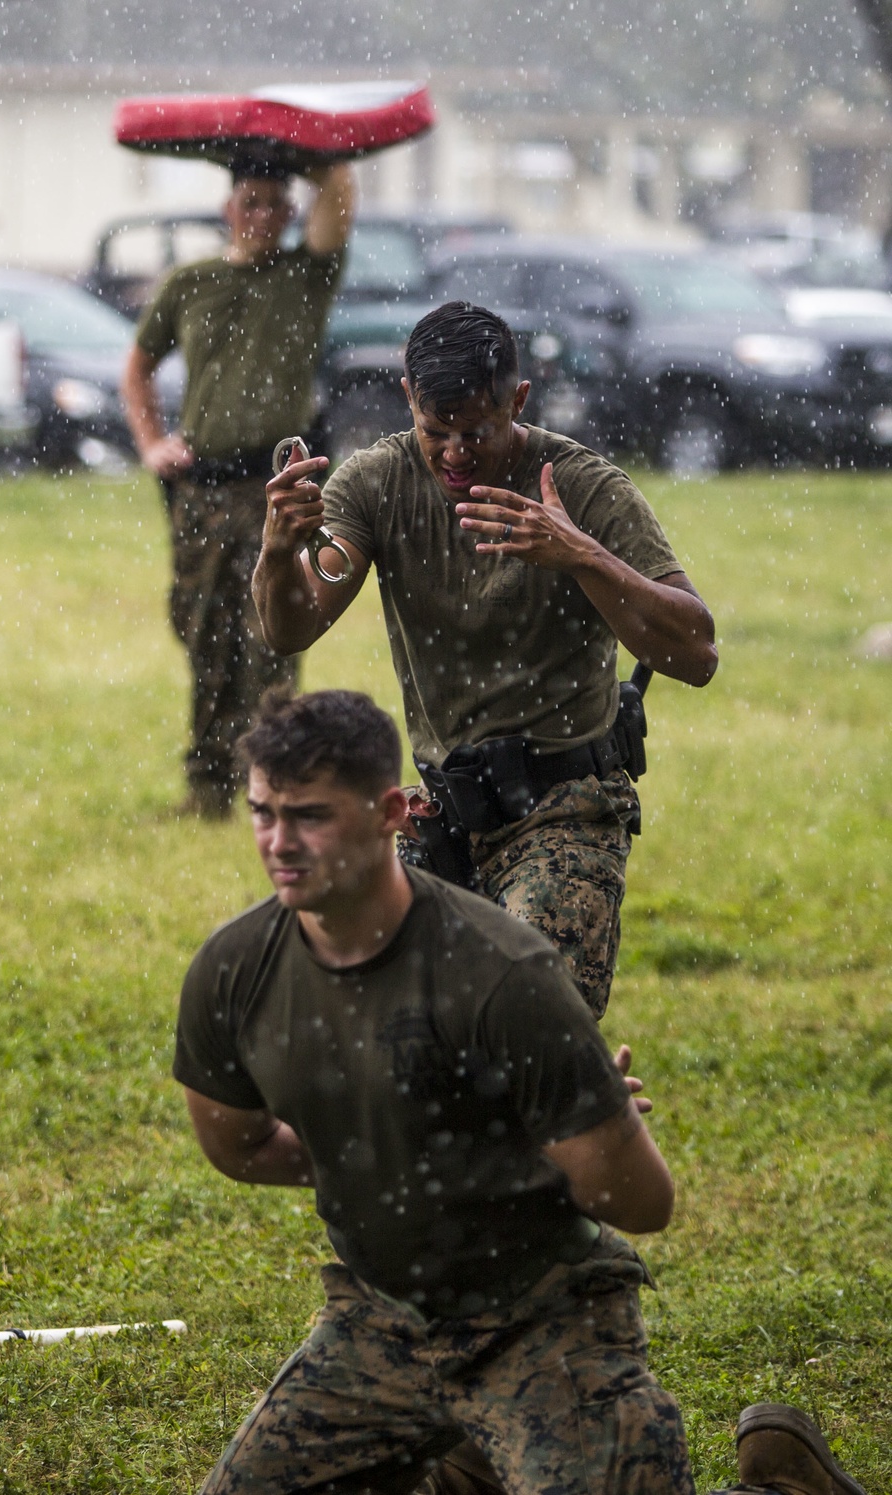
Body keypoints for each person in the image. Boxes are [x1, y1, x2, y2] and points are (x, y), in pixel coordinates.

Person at [173, 687, 866, 1495]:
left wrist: (577, 1129)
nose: (279, 843)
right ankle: (474, 1472)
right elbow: (241, 1144)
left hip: (542, 1315)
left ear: (393, 810)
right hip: (381, 1318)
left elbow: (644, 1204)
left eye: (311, 817)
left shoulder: (501, 974)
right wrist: (424, 1142)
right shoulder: (233, 971)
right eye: (263, 812)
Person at [252, 301, 718, 1019]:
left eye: (477, 431)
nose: (454, 454)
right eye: (434, 432)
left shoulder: (581, 486)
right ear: (408, 398)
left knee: (530, 1025)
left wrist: (580, 554)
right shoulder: (378, 483)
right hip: (443, 814)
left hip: (565, 805)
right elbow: (292, 626)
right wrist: (278, 550)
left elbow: (696, 651)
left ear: (518, 400)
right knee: (373, 1021)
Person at [122, 159, 356, 817]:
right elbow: (137, 369)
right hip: (202, 489)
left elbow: (338, 196)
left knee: (273, 633)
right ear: (228, 208)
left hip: (278, 485)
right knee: (202, 629)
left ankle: (272, 787)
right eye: (251, 202)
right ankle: (206, 788)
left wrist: (319, 157)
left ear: (290, 214)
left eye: (276, 205)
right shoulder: (191, 282)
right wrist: (151, 443)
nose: (263, 216)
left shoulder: (306, 277)